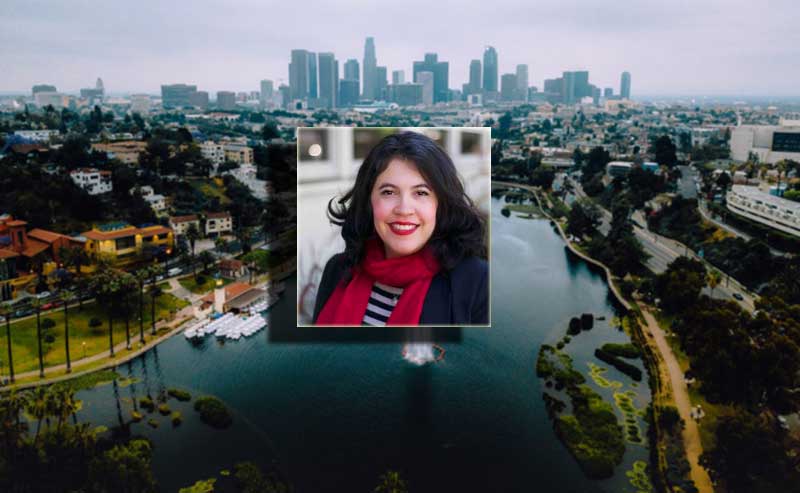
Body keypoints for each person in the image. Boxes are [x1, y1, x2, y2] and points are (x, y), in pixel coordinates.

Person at [313, 131, 488, 326]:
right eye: (388, 192)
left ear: (442, 203)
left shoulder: (477, 282)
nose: (404, 209)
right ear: (368, 201)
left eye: (421, 193)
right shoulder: (337, 269)